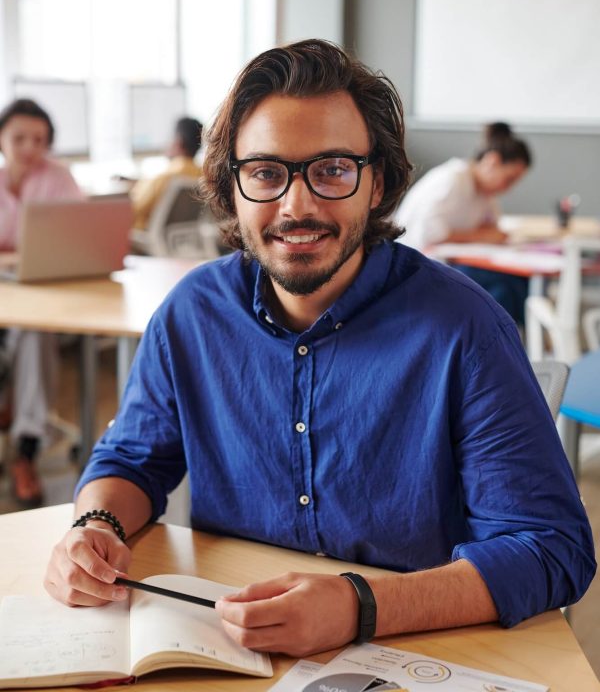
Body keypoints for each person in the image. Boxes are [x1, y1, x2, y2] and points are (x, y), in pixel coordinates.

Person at [44, 40, 594, 657]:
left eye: (332, 169)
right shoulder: (192, 314)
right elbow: (130, 460)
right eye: (265, 173)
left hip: (418, 650)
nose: (296, 205)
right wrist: (96, 525)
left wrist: (360, 606)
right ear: (233, 185)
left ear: (376, 182)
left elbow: (551, 548)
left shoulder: (465, 328)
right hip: (232, 646)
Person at [0, 98, 83, 505]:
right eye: (19, 138)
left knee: (32, 333)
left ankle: (26, 451)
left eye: (39, 139)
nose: (30, 148)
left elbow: (78, 236)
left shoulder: (59, 178)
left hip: (41, 296)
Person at [393, 129, 532, 324]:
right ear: (492, 161)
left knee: (517, 282)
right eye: (509, 179)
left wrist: (487, 233)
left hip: (447, 261)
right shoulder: (452, 179)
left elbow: (493, 228)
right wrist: (481, 236)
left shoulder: (483, 192)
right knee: (502, 287)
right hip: (418, 264)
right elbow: (429, 232)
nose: (508, 187)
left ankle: (517, 336)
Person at [129, 116, 203, 230]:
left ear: (178, 141)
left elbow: (136, 207)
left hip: (145, 234)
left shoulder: (167, 177)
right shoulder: (203, 175)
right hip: (181, 236)